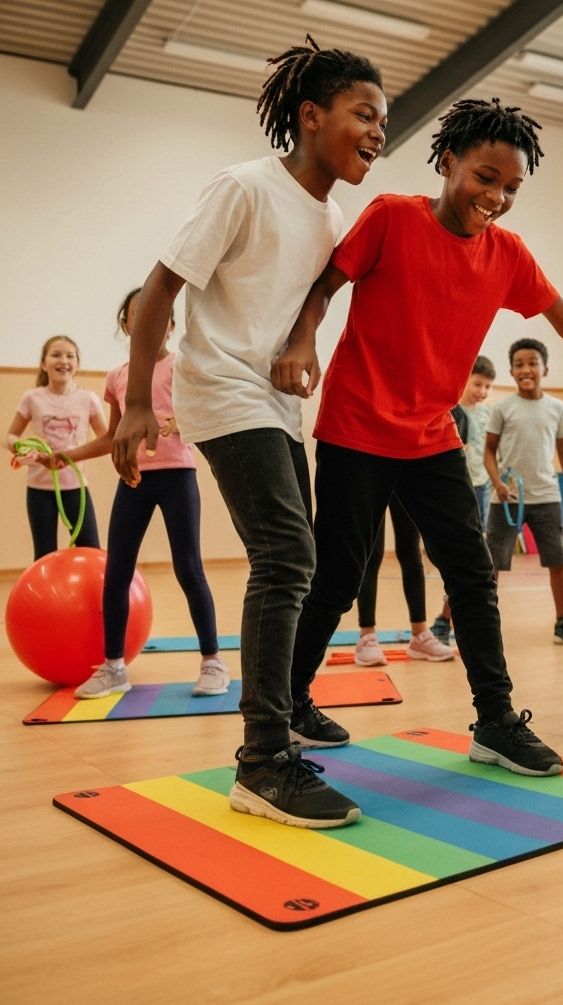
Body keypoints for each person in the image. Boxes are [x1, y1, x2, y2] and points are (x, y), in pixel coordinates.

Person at [274, 98, 563, 778]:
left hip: (429, 436)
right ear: (447, 163)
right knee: (337, 574)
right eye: (485, 178)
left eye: (511, 187)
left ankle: (496, 721)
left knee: (474, 574)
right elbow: (326, 285)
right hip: (356, 428)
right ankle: (289, 702)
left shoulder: (506, 253)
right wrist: (304, 338)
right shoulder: (392, 216)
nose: (497, 197)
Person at [110, 38, 388, 829]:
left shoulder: (331, 215)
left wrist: (304, 346)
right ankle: (262, 763)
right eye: (364, 114)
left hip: (275, 403)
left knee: (317, 555)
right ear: (311, 115)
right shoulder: (244, 186)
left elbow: (311, 302)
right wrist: (137, 403)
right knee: (287, 555)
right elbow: (164, 284)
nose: (378, 132)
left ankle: (289, 707)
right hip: (219, 389)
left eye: (383, 120)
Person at [53, 289, 230, 700]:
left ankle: (212, 661)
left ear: (170, 324)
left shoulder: (181, 367)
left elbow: (204, 413)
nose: (151, 321)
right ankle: (114, 666)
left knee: (189, 568)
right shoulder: (117, 376)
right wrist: (69, 456)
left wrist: (177, 421)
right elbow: (114, 436)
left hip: (178, 476)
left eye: (161, 314)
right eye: (138, 314)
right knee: (116, 572)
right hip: (133, 480)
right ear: (126, 325)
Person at [484, 337, 563, 645]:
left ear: (545, 368)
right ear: (511, 372)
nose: (526, 369)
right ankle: (483, 622)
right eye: (519, 365)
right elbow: (489, 452)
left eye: (532, 363)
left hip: (547, 497)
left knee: (558, 561)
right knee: (491, 565)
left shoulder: (557, 407)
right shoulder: (502, 408)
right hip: (506, 499)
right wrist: (499, 484)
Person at [6, 335, 105, 560]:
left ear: (77, 364)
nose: (64, 360)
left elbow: (105, 438)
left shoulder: (88, 399)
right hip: (39, 491)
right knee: (44, 554)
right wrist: (20, 448)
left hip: (77, 489)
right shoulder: (32, 397)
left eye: (70, 356)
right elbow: (10, 437)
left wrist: (74, 454)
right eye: (56, 355)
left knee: (90, 550)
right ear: (43, 363)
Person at [430, 355, 495, 645]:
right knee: (459, 558)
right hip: (454, 489)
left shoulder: (488, 415)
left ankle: (458, 621)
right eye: (477, 383)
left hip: (481, 489)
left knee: (474, 559)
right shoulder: (450, 411)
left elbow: (494, 454)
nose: (482, 390)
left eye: (487, 386)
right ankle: (444, 620)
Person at [353, 496, 456, 665]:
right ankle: (367, 636)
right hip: (371, 472)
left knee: (410, 549)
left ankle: (419, 635)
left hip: (402, 471)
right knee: (372, 551)